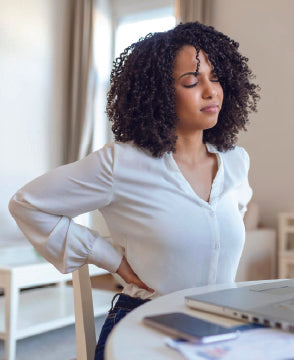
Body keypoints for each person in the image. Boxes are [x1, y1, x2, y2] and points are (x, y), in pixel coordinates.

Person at [9, 22, 260, 359]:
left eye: (215, 78)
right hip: (144, 325)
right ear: (160, 93)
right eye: (191, 81)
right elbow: (27, 204)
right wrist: (110, 257)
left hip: (216, 332)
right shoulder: (121, 163)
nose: (211, 91)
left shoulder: (236, 162)